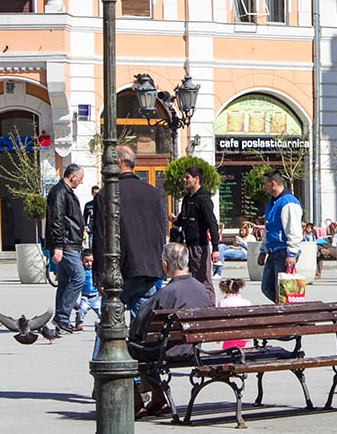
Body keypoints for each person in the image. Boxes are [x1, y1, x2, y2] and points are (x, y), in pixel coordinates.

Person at [128, 242, 215, 418]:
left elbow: (137, 326)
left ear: (165, 265)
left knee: (123, 351)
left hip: (168, 351)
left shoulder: (164, 294)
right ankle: (158, 399)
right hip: (194, 349)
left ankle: (137, 403)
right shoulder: (202, 289)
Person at [95, 145, 168, 315]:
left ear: (118, 163)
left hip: (118, 270)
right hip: (146, 269)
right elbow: (160, 230)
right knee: (142, 326)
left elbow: (100, 237)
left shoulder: (106, 195)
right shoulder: (153, 193)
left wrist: (98, 276)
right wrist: (158, 264)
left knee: (108, 326)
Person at [47, 163, 85, 335]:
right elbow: (57, 220)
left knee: (64, 281)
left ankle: (60, 318)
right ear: (73, 176)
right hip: (66, 243)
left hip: (70, 242)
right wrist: (58, 246)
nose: (81, 182)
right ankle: (62, 316)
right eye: (81, 178)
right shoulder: (60, 192)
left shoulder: (65, 191)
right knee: (79, 277)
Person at [173, 164, 219, 301]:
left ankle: (210, 308)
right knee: (190, 281)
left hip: (199, 245)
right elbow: (183, 219)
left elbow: (212, 223)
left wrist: (215, 248)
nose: (184, 180)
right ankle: (196, 306)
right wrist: (176, 220)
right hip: (187, 245)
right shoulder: (188, 199)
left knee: (203, 280)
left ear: (196, 179)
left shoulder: (203, 199)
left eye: (187, 177)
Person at [260, 168, 302, 304]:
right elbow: (268, 228)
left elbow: (294, 230)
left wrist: (292, 253)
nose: (263, 187)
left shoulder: (288, 203)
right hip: (273, 251)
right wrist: (263, 250)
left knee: (283, 289)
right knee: (267, 287)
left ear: (273, 184)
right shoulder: (271, 203)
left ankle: (289, 314)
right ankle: (285, 310)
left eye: (265, 183)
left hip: (284, 251)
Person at [218, 277, 252, 350]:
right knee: (240, 350)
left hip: (229, 334)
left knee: (229, 353)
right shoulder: (246, 302)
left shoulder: (223, 302)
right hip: (243, 333)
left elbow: (221, 321)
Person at [74, 250, 101, 330]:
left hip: (96, 296)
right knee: (81, 310)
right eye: (86, 261)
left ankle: (103, 323)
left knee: (101, 311)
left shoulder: (96, 271)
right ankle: (79, 323)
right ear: (82, 261)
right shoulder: (82, 271)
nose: (89, 264)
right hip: (85, 297)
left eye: (91, 261)